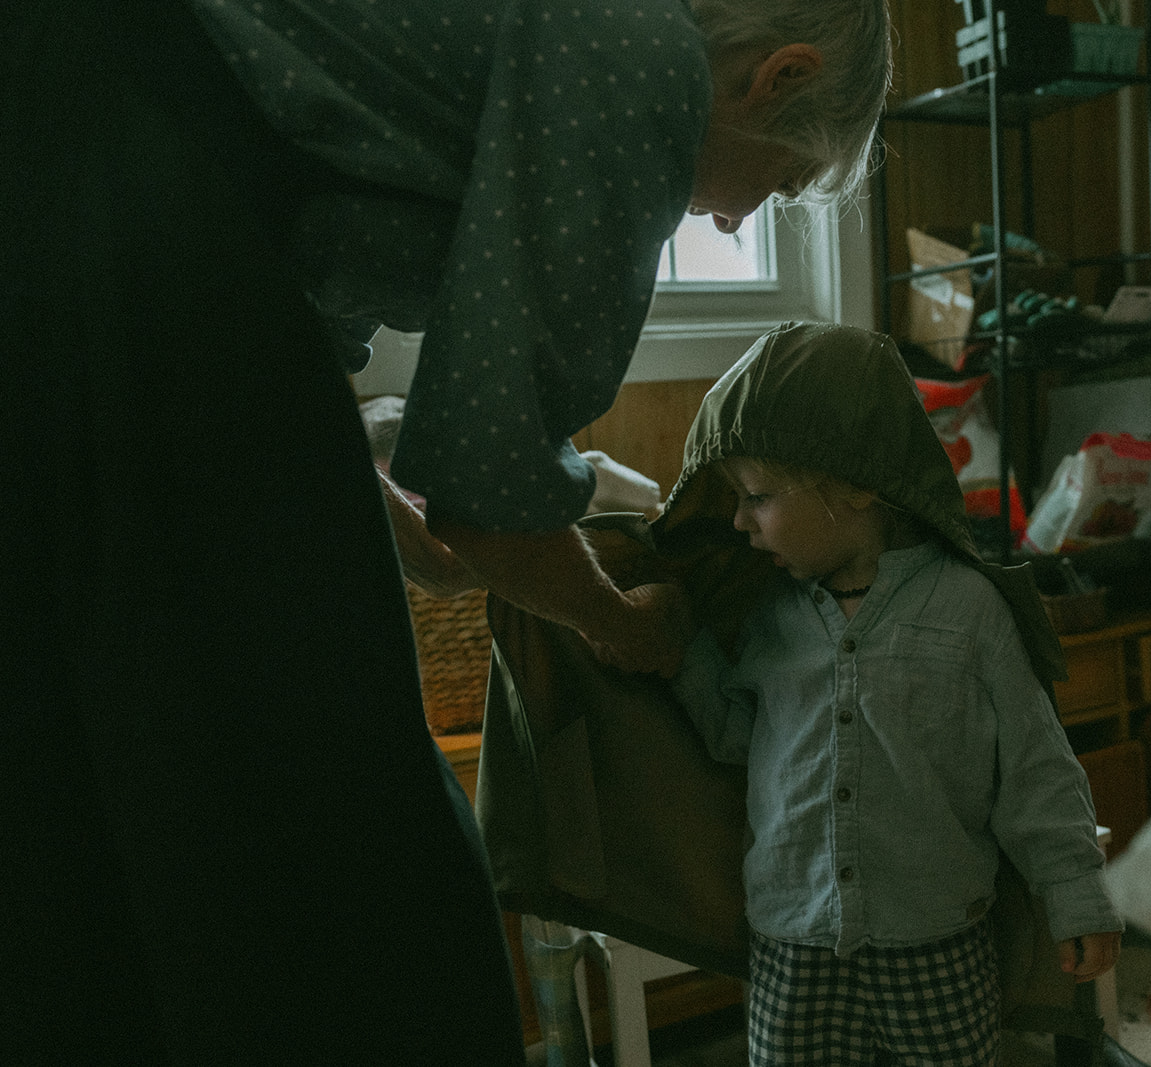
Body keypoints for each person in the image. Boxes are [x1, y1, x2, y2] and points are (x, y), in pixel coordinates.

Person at [0, 1, 889, 1061]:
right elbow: (489, 480)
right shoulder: (642, 59)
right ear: (776, 77)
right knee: (349, 830)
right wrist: (619, 620)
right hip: (126, 194)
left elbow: (317, 302)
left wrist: (382, 503)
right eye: (779, 183)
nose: (743, 223)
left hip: (72, 190)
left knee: (115, 763)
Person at [658, 322, 1122, 1066]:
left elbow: (1037, 767)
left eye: (760, 495)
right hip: (792, 943)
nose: (741, 520)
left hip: (937, 943)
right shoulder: (769, 619)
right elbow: (735, 740)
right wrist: (679, 650)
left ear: (855, 482)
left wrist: (1077, 894)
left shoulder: (971, 609)